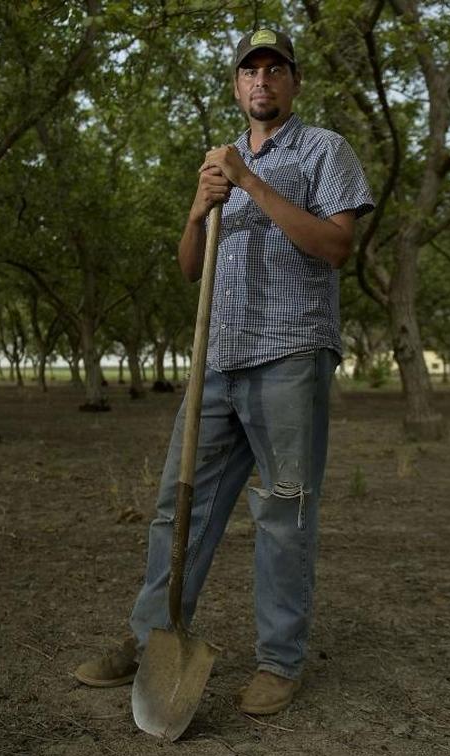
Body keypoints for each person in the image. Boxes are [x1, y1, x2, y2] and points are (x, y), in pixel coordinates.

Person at [74, 27, 374, 716]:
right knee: (178, 505)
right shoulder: (218, 163)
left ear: (293, 82)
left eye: (275, 70)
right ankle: (152, 638)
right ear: (237, 86)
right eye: (250, 72)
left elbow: (335, 245)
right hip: (218, 360)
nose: (262, 82)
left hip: (290, 356)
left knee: (284, 512)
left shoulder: (323, 149)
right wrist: (198, 209)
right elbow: (189, 268)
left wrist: (250, 182)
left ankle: (280, 662)